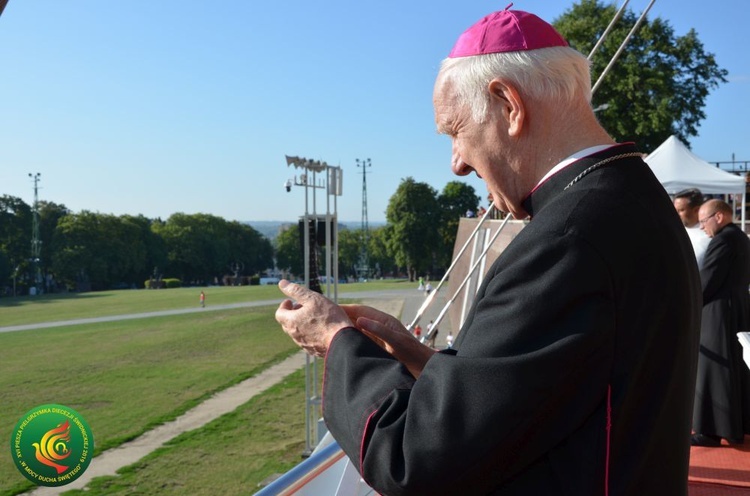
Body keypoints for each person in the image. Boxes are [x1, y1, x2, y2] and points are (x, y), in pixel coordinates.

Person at [275, 8, 700, 495]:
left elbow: (414, 457)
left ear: (508, 104)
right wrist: (416, 354)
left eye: (455, 130)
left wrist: (335, 341)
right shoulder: (631, 195)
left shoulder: (567, 240)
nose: (456, 163)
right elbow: (549, 388)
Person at [691, 199, 750, 446]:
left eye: (704, 221)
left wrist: (689, 302)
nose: (702, 227)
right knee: (735, 368)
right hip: (737, 308)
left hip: (718, 312)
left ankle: (712, 430)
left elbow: (707, 281)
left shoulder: (723, 241)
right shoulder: (741, 238)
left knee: (713, 369)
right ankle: (737, 425)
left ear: (719, 217)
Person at [673, 188, 711, 268]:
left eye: (681, 210)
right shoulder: (675, 232)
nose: (676, 215)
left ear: (696, 210)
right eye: (675, 210)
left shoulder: (710, 234)